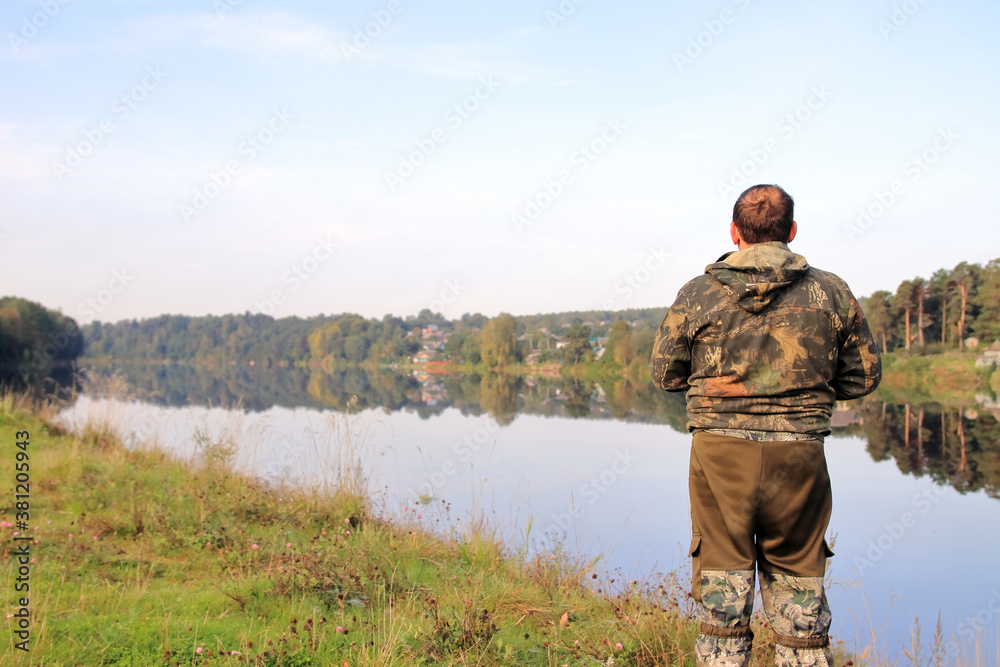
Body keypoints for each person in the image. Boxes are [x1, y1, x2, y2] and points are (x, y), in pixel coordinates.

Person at [649, 184, 882, 667]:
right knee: (799, 573)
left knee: (722, 569)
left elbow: (664, 374)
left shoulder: (697, 293)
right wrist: (804, 393)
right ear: (791, 231)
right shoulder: (831, 291)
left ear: (734, 232)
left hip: (719, 454)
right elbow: (864, 376)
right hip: (799, 454)